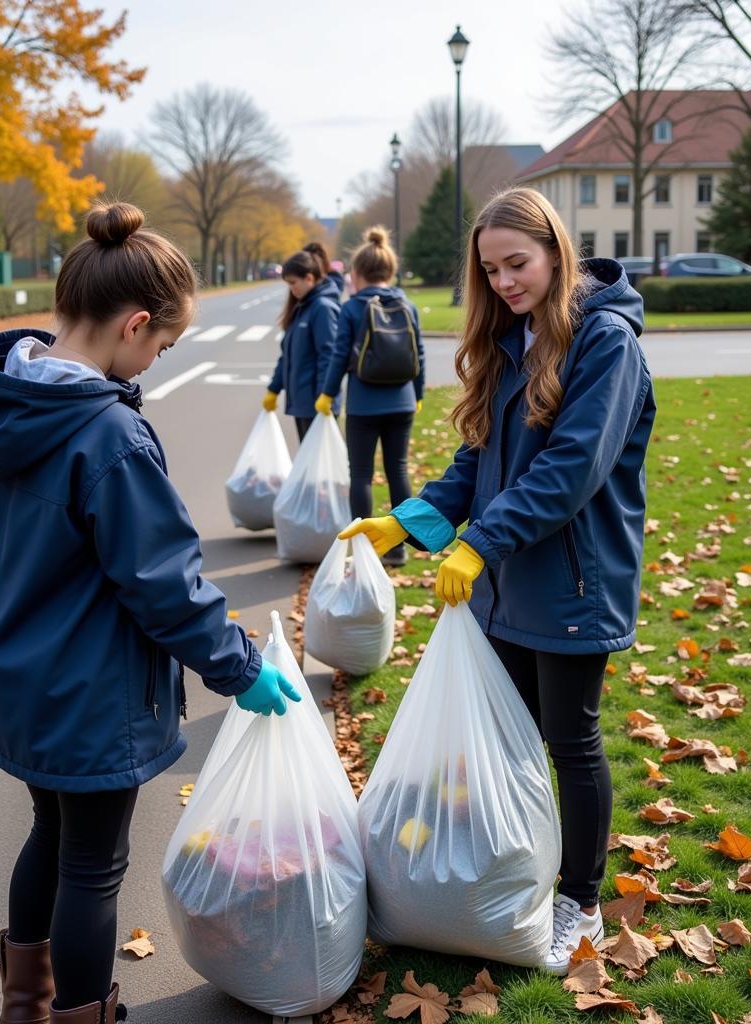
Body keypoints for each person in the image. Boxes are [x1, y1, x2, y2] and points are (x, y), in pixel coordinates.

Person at [0, 201, 300, 1024]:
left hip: (14, 672)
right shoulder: (107, 436)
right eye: (162, 346)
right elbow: (163, 582)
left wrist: (31, 554)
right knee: (93, 867)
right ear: (135, 325)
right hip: (93, 688)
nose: (155, 364)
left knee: (49, 836)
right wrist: (239, 667)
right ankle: (83, 1013)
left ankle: (23, 1006)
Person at [340, 187, 655, 972]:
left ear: (556, 251)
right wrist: (408, 522)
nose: (507, 281)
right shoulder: (515, 338)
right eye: (492, 269)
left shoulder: (605, 342)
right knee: (507, 743)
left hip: (573, 580)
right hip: (507, 582)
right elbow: (477, 460)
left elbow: (568, 472)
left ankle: (578, 901)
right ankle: (504, 871)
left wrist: (479, 542)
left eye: (519, 263)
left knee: (568, 740)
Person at [317, 226, 424, 567]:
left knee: (360, 474)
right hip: (403, 401)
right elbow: (418, 354)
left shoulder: (352, 308)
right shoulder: (407, 304)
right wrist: (417, 394)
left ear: (357, 273)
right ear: (390, 271)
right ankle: (398, 548)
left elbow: (338, 356)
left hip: (363, 402)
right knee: (398, 471)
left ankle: (363, 550)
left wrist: (328, 394)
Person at [263, 249, 341, 441]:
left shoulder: (322, 308)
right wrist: (274, 388)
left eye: (293, 283)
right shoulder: (302, 308)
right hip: (304, 403)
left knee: (319, 468)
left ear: (309, 278)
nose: (291, 289)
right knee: (309, 467)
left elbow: (328, 355)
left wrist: (325, 395)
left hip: (317, 404)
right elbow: (287, 355)